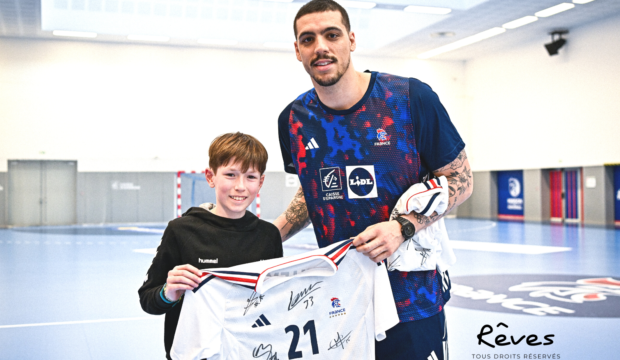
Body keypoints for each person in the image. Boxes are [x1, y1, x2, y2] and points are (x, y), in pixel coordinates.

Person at [274, 1, 473, 359]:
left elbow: (461, 180)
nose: (321, 46)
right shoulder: (293, 120)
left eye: (331, 35)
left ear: (351, 40)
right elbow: (314, 187)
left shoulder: (411, 99)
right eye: (308, 38)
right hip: (339, 297)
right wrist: (274, 233)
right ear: (298, 51)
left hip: (413, 297)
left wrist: (403, 227)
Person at [138, 132, 283, 360]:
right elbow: (148, 300)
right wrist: (169, 293)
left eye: (250, 177)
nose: (240, 186)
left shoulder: (269, 236)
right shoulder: (181, 231)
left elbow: (274, 305)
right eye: (230, 175)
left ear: (261, 182)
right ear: (210, 176)